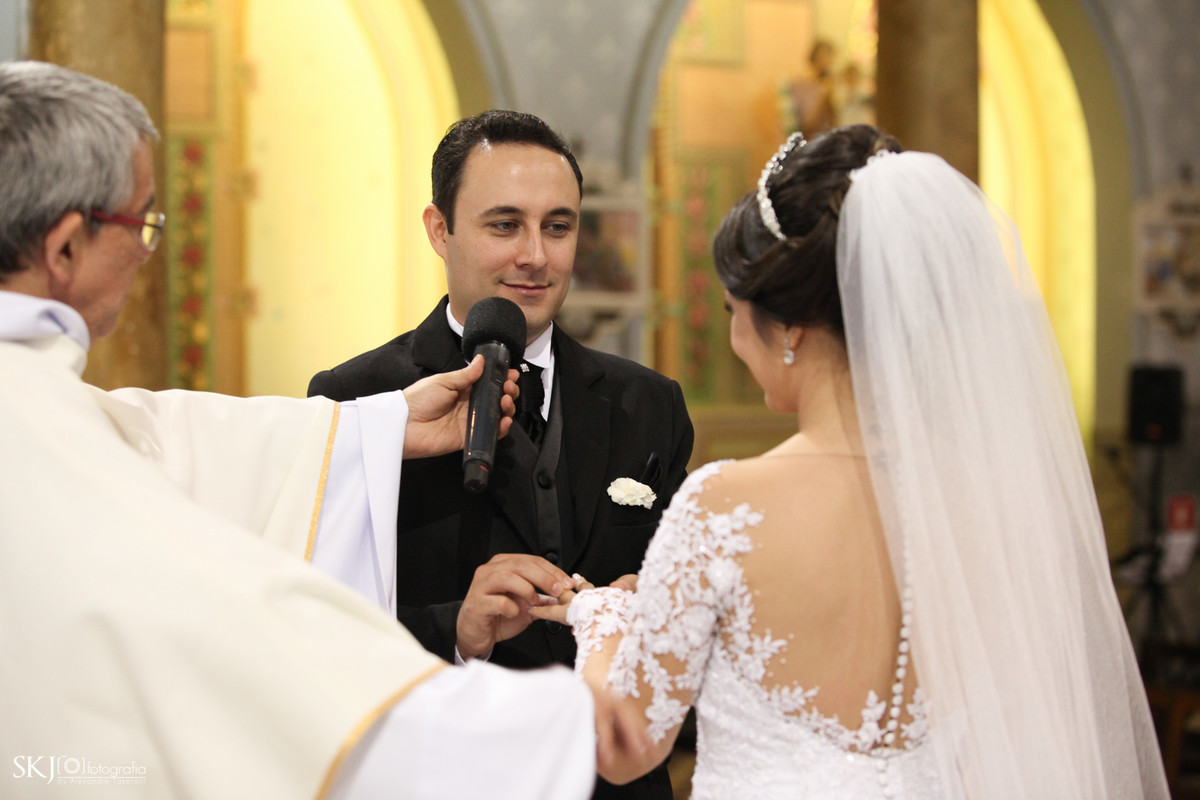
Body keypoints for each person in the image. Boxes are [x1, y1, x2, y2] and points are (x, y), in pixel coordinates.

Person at [0, 61, 649, 799]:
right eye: (145, 221)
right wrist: (549, 725)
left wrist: (376, 432)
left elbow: (168, 434)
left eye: (558, 227)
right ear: (63, 248)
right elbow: (233, 628)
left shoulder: (41, 408)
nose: (150, 252)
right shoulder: (40, 440)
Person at [534, 125, 1171, 798]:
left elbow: (624, 749)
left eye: (734, 311)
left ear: (789, 330)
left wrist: (602, 622)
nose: (733, 338)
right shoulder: (990, 500)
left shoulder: (724, 506)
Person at [309, 111, 693, 799]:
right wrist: (457, 629)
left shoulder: (648, 403)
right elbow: (319, 632)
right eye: (504, 225)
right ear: (439, 230)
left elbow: (688, 628)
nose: (535, 257)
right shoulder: (356, 400)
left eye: (557, 226)